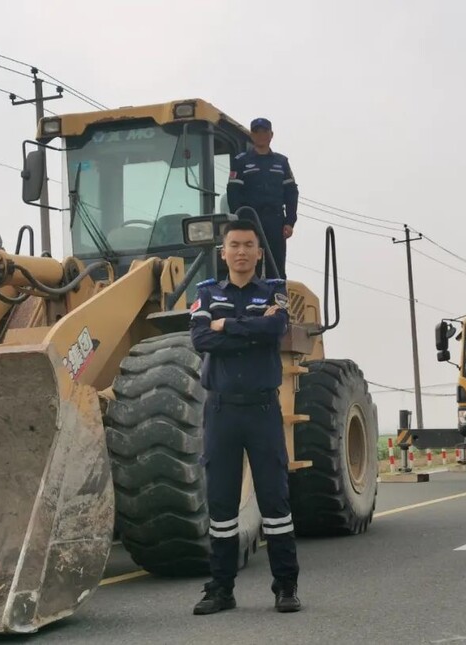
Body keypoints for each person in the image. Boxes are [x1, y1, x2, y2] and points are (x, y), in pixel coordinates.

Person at [189, 218, 301, 615]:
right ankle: (221, 589)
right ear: (223, 253)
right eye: (234, 245)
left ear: (258, 252)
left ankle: (285, 587)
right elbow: (200, 338)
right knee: (221, 504)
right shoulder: (206, 292)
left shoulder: (274, 290)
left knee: (274, 500)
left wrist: (226, 326)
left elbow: (276, 329)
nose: (241, 251)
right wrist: (252, 328)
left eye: (248, 245)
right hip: (221, 411)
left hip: (262, 410)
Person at [226, 117, 298, 279]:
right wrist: (239, 220)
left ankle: (278, 294)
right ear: (252, 135)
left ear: (271, 135)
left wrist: (290, 221)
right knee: (250, 265)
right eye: (257, 132)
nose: (261, 136)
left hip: (275, 220)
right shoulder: (241, 161)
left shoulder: (282, 162)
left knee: (277, 267)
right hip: (251, 220)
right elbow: (233, 192)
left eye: (264, 132)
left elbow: (291, 192)